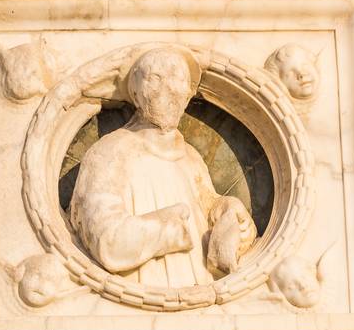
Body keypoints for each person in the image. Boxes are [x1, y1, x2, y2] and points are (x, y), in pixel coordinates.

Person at [69, 47, 256, 287]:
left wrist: (229, 213)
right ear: (135, 93)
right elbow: (106, 240)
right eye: (155, 78)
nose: (168, 90)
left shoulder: (190, 156)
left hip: (199, 291)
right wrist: (172, 229)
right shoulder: (110, 151)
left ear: (189, 95)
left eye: (177, 79)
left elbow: (206, 209)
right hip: (139, 292)